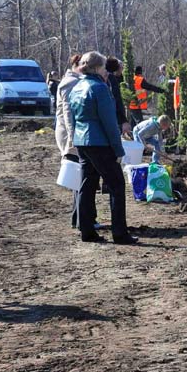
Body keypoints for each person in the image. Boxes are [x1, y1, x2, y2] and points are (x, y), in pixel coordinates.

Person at [69, 51, 138, 245]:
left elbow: (73, 118)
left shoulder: (77, 86)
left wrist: (76, 139)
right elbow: (108, 122)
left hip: (83, 142)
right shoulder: (99, 89)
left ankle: (87, 230)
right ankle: (120, 233)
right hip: (100, 142)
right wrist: (118, 150)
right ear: (98, 68)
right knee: (116, 185)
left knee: (87, 185)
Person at [55, 54, 84, 228]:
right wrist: (73, 139)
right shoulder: (70, 82)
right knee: (77, 178)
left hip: (72, 135)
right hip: (69, 136)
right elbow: (67, 114)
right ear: (75, 65)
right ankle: (79, 219)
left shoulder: (75, 80)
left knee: (79, 178)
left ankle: (79, 218)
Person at [104, 57, 131, 136]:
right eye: (121, 68)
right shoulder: (111, 79)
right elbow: (117, 100)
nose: (122, 70)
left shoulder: (117, 78)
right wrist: (123, 120)